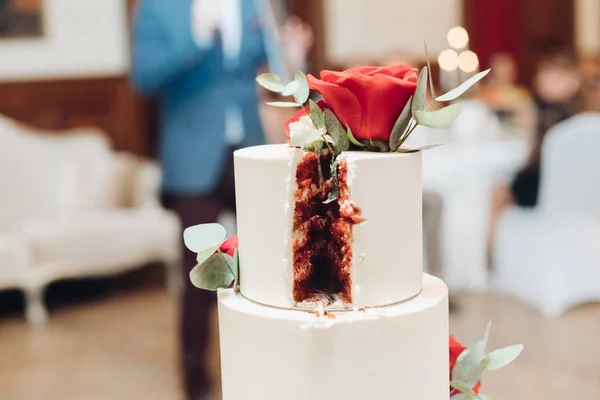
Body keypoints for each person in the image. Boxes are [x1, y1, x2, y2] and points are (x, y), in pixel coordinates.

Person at [130, 1, 312, 399]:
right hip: (191, 156)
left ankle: (273, 361)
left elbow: (274, 69)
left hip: (248, 149)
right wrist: (196, 37)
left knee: (273, 256)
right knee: (201, 270)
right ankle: (196, 377)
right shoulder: (158, 8)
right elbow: (143, 77)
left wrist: (292, 57)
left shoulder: (254, 4)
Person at [487, 52, 583, 255]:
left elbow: (533, 157)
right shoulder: (582, 112)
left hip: (546, 185)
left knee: (500, 187)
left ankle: (492, 254)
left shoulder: (545, 113)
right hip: (577, 188)